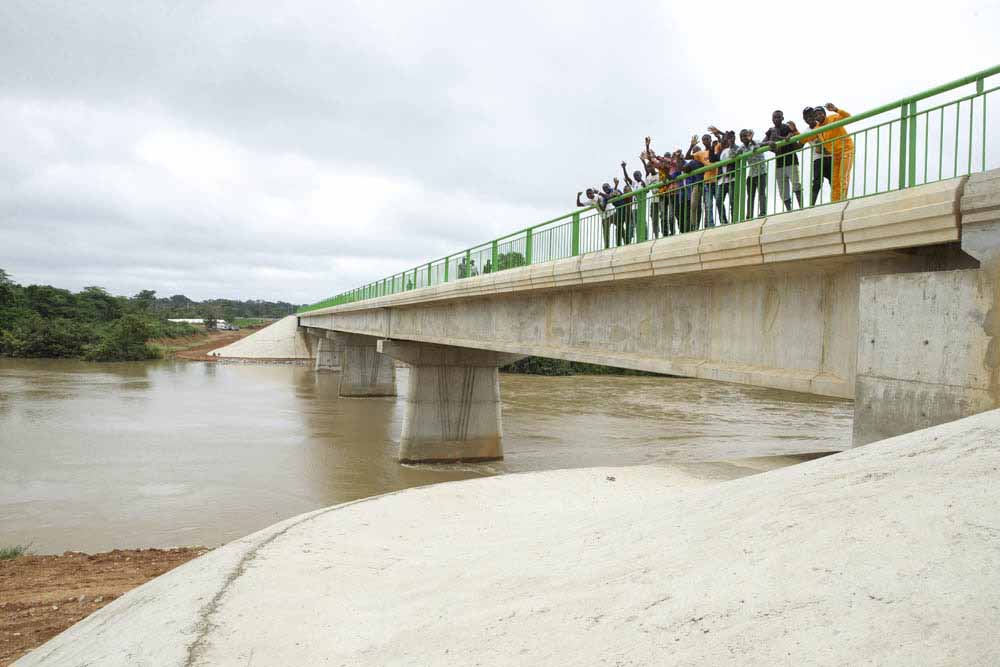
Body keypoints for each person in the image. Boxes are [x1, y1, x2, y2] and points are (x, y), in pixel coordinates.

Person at [812, 103, 854, 202]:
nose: (819, 116)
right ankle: (835, 202)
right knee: (835, 180)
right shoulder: (817, 128)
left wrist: (836, 109)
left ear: (824, 113)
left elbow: (848, 117)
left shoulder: (833, 118)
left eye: (820, 113)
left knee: (843, 177)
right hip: (835, 154)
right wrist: (794, 132)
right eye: (816, 114)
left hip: (846, 149)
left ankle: (842, 199)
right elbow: (805, 138)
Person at [764, 110, 803, 212]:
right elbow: (762, 143)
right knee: (782, 189)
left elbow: (790, 137)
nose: (776, 119)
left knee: (796, 184)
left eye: (778, 117)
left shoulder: (786, 127)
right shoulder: (771, 130)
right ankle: (789, 210)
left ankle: (802, 207)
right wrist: (770, 142)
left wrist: (779, 138)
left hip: (791, 160)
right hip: (779, 163)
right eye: (774, 117)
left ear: (782, 118)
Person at [801, 107, 833, 205]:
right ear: (804, 119)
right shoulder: (806, 132)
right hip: (817, 159)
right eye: (806, 116)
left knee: (834, 179)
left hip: (830, 156)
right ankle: (812, 204)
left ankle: (838, 200)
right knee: (817, 182)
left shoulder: (822, 125)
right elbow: (799, 145)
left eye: (811, 115)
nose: (809, 118)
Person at [732, 129, 767, 218]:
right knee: (750, 195)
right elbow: (734, 155)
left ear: (749, 135)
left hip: (761, 172)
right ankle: (749, 215)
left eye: (745, 135)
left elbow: (757, 146)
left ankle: (762, 212)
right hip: (751, 174)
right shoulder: (742, 147)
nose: (743, 138)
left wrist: (752, 140)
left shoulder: (756, 142)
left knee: (761, 193)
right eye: (741, 136)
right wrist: (733, 151)